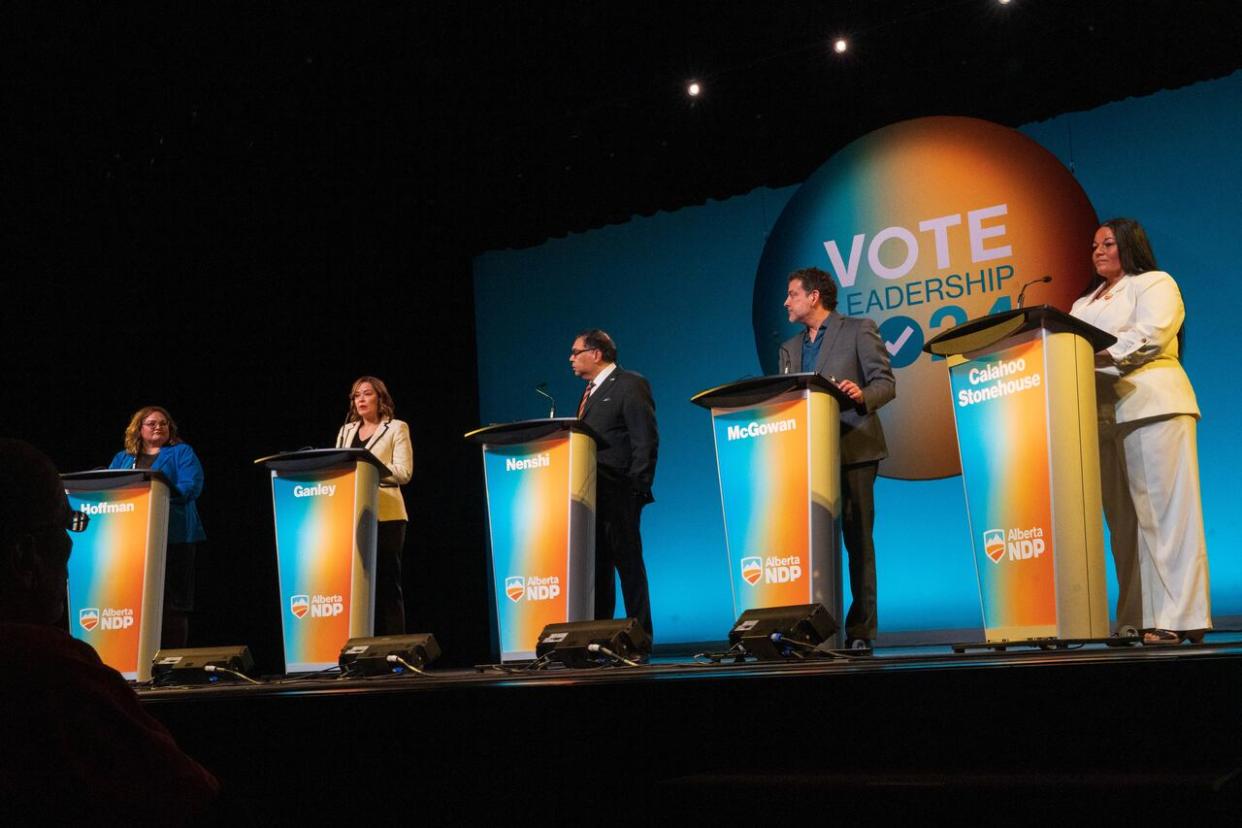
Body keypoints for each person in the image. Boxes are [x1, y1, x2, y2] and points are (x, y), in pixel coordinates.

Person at [0, 439, 220, 818]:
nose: (71, 544)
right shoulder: (52, 669)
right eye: (65, 525)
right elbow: (195, 799)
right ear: (24, 555)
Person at [1070, 218, 1211, 645]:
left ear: (1129, 246)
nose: (1098, 251)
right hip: (1100, 415)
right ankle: (1135, 616)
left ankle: (1178, 616)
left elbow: (1150, 336)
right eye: (1094, 244)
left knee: (1165, 517)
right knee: (1123, 524)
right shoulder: (1082, 303)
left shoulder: (1154, 283)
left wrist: (1095, 357)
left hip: (1153, 404)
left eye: (1108, 243)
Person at [779, 267, 896, 651]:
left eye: (792, 295)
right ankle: (815, 629)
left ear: (814, 297)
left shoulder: (859, 329)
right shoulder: (790, 348)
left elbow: (885, 383)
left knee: (857, 540)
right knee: (810, 544)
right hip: (809, 457)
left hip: (854, 448)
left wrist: (861, 394)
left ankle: (860, 630)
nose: (786, 302)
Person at [571, 329, 659, 639]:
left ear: (595, 354)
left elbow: (644, 439)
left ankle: (641, 638)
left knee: (629, 567)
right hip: (592, 496)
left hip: (621, 491)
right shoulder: (589, 392)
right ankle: (600, 637)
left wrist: (637, 488)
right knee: (599, 569)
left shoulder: (630, 384)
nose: (571, 358)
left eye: (576, 352)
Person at [108, 405, 205, 648]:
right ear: (138, 429)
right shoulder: (123, 458)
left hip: (174, 537)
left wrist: (157, 495)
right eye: (151, 423)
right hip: (134, 538)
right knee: (137, 601)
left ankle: (171, 662)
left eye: (163, 423)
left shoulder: (182, 452)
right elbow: (110, 488)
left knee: (173, 604)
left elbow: (190, 486)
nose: (158, 427)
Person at [335, 376, 413, 635]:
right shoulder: (346, 431)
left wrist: (373, 471)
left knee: (388, 584)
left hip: (388, 515)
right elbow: (339, 467)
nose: (361, 400)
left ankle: (394, 648)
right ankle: (358, 646)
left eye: (367, 394)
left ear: (380, 398)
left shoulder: (396, 428)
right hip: (355, 514)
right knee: (356, 586)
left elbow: (404, 472)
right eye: (356, 395)